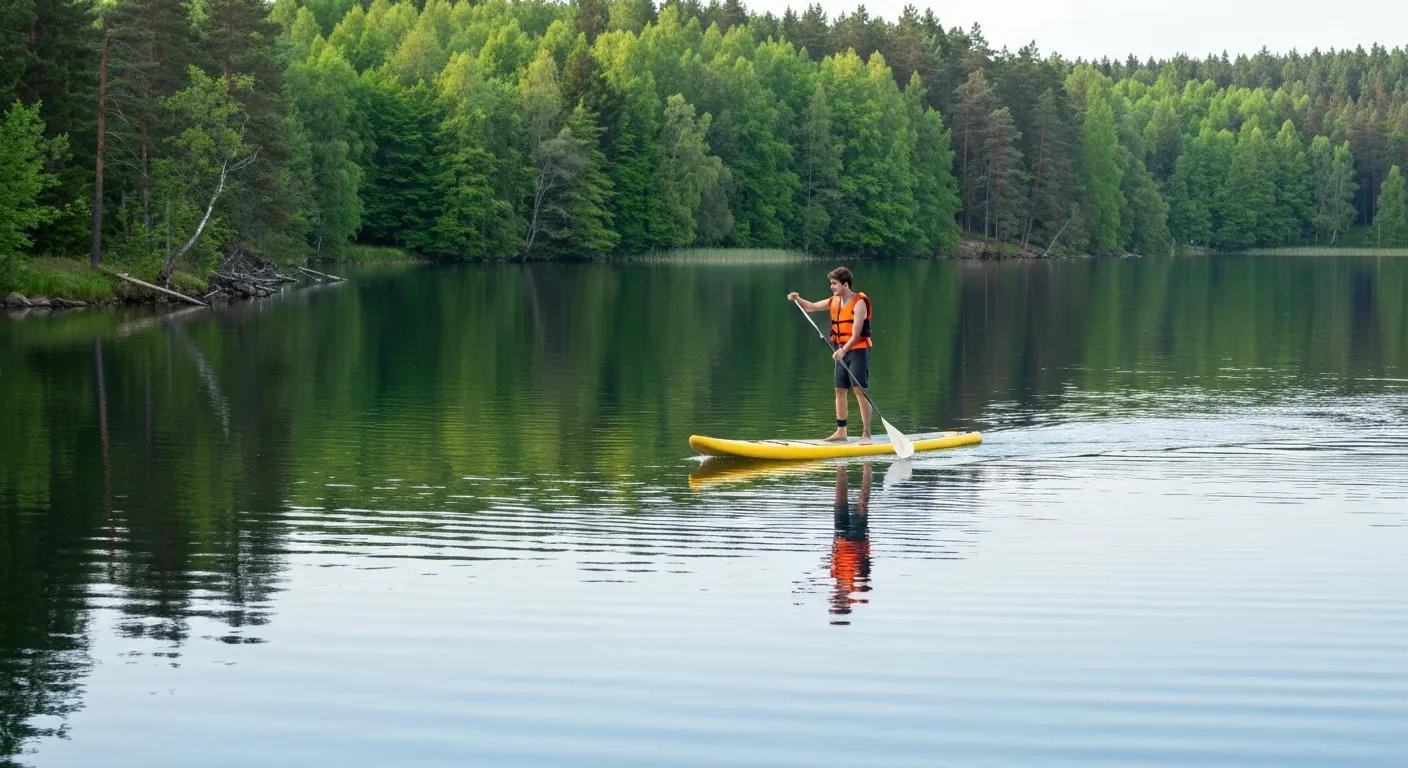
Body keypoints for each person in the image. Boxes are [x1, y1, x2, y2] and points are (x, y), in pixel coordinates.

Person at [787, 266, 873, 443]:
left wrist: (843, 350)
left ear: (846, 285)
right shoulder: (834, 300)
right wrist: (797, 299)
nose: (832, 287)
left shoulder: (859, 303)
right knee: (839, 390)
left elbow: (856, 334)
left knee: (859, 391)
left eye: (834, 284)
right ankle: (841, 431)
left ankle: (866, 434)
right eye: (831, 283)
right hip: (841, 352)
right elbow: (810, 307)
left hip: (857, 351)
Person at [829, 463, 872, 622]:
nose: (835, 598)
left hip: (839, 537)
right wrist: (855, 596)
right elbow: (865, 568)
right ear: (846, 603)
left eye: (834, 601)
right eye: (838, 602)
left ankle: (841, 465)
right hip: (856, 539)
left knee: (839, 500)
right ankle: (867, 465)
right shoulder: (857, 586)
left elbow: (834, 559)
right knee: (862, 502)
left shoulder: (834, 578)